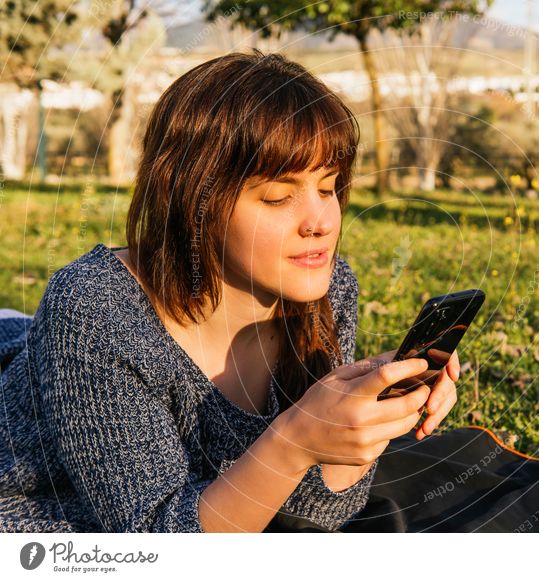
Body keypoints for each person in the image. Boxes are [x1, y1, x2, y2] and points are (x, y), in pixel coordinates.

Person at [0, 50, 460, 533]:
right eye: (279, 197)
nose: (321, 223)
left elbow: (315, 515)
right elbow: (157, 550)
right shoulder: (96, 309)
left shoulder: (326, 289)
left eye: (328, 189)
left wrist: (358, 422)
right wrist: (294, 440)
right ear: (193, 199)